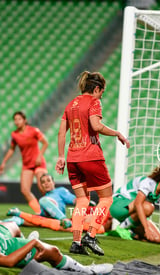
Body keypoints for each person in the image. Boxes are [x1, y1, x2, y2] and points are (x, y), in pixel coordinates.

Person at [55, 71, 130, 256]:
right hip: (91, 157)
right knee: (106, 198)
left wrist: (60, 156)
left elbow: (61, 133)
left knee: (82, 200)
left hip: (72, 158)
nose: (101, 96)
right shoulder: (94, 102)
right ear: (96, 88)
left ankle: (76, 242)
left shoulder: (71, 104)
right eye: (101, 92)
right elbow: (96, 126)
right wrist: (117, 133)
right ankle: (91, 234)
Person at [0, 173, 111, 235]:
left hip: (61, 220)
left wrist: (88, 204)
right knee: (19, 219)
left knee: (42, 202)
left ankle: (64, 219)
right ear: (41, 186)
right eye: (43, 182)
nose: (46, 183)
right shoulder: (45, 197)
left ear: (53, 182)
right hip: (47, 219)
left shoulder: (60, 191)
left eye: (48, 180)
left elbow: (75, 200)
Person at [0, 111, 48, 215]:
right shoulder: (14, 135)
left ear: (24, 120)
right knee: (25, 190)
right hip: (27, 165)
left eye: (19, 119)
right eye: (15, 119)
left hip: (38, 163)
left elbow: (45, 143)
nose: (16, 121)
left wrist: (39, 156)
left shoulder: (33, 131)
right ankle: (40, 212)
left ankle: (52, 209)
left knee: (42, 187)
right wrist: (4, 162)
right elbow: (12, 149)